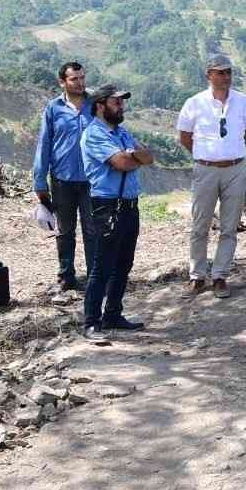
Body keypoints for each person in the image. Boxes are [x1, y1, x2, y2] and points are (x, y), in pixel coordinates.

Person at [177, 54, 246, 298]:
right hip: (206, 169)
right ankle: (197, 275)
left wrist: (229, 153)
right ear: (208, 75)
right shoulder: (194, 103)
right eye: (220, 72)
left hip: (234, 169)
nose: (226, 77)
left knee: (230, 226)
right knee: (200, 224)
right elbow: (184, 136)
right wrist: (206, 155)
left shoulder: (243, 101)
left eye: (228, 72)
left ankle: (220, 275)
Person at [80, 85, 154, 340]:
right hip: (107, 206)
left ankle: (112, 314)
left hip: (129, 205)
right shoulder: (94, 134)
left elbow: (149, 157)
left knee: (124, 263)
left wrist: (132, 155)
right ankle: (91, 321)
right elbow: (122, 162)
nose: (121, 106)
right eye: (116, 102)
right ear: (100, 105)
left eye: (122, 102)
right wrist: (133, 157)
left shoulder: (122, 133)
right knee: (102, 265)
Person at [31, 62, 96, 292]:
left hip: (92, 180)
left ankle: (95, 277)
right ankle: (66, 277)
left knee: (92, 230)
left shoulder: (95, 105)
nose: (80, 83)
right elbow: (44, 145)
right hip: (61, 179)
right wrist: (39, 182)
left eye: (82, 78)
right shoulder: (53, 108)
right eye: (74, 79)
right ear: (63, 82)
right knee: (65, 231)